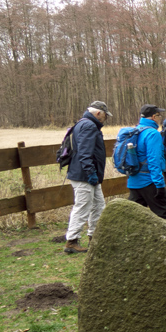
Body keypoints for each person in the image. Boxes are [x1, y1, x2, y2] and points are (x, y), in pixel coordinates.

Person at [63, 100, 111, 254]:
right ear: (98, 113)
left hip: (88, 174)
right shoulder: (89, 126)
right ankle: (71, 241)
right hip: (84, 175)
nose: (105, 119)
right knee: (83, 206)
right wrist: (90, 173)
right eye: (105, 116)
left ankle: (94, 237)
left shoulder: (83, 124)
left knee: (98, 205)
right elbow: (85, 153)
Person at [125, 105, 166, 222]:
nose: (160, 117)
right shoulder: (152, 134)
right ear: (154, 117)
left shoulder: (135, 131)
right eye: (159, 115)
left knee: (133, 219)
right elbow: (154, 161)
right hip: (149, 181)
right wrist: (159, 185)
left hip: (133, 180)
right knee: (165, 215)